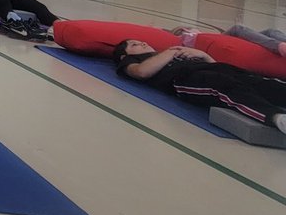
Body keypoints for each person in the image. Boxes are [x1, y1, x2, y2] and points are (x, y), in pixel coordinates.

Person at [113, 39, 286, 134]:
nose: (142, 43)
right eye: (134, 45)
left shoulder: (163, 52)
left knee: (260, 82)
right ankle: (276, 118)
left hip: (213, 68)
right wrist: (171, 51)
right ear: (124, 56)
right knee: (224, 86)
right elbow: (142, 72)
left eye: (142, 41)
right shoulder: (132, 61)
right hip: (186, 79)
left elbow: (214, 65)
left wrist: (204, 55)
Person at [173, 25, 286, 58]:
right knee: (237, 29)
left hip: (213, 39)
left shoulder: (191, 33)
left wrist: (189, 29)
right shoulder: (182, 40)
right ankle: (278, 46)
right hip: (213, 44)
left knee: (271, 32)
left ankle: (280, 45)